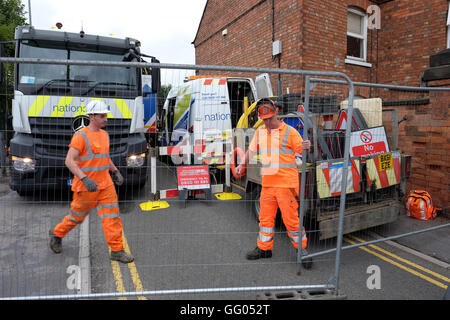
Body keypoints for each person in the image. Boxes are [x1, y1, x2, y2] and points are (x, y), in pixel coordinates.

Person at [49, 100, 134, 264]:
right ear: (92, 116)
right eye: (102, 116)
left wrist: (115, 171)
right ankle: (57, 234)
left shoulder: (104, 135)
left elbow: (104, 157)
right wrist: (84, 178)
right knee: (76, 217)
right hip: (86, 187)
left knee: (112, 218)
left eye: (106, 116)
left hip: (106, 184)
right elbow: (69, 161)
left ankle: (117, 250)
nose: (105, 119)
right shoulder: (80, 136)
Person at [235, 99, 311, 262]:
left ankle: (302, 251)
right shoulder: (260, 132)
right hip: (268, 184)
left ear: (276, 113)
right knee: (265, 219)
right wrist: (242, 164)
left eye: (270, 118)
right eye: (264, 119)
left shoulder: (290, 132)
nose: (268, 122)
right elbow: (251, 150)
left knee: (291, 221)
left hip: (286, 185)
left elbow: (303, 150)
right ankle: (264, 248)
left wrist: (307, 146)